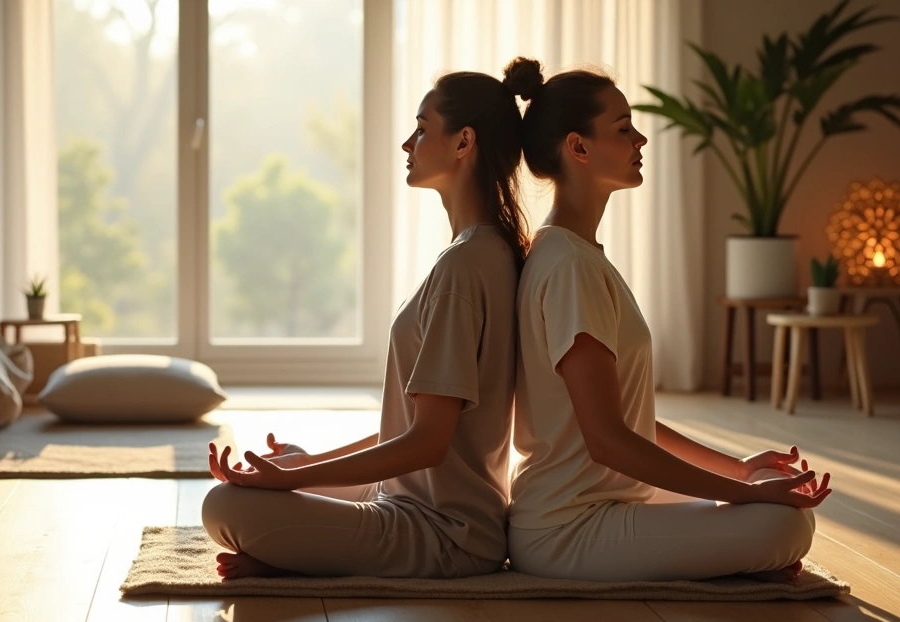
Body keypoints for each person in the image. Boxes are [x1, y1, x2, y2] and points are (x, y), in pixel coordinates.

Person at [503, 56, 832, 583]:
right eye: (624, 128)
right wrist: (744, 494)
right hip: (567, 529)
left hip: (605, 497)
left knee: (772, 487)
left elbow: (629, 420)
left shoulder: (575, 254)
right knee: (781, 527)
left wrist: (742, 470)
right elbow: (608, 439)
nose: (640, 140)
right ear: (578, 147)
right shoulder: (568, 266)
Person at [201, 66, 530, 580]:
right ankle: (300, 521)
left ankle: (300, 545)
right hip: (422, 502)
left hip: (445, 535)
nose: (408, 143)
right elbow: (410, 429)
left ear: (464, 142)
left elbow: (427, 443)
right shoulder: (487, 253)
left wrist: (295, 483)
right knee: (283, 461)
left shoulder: (464, 267)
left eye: (422, 128)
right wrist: (298, 469)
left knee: (223, 506)